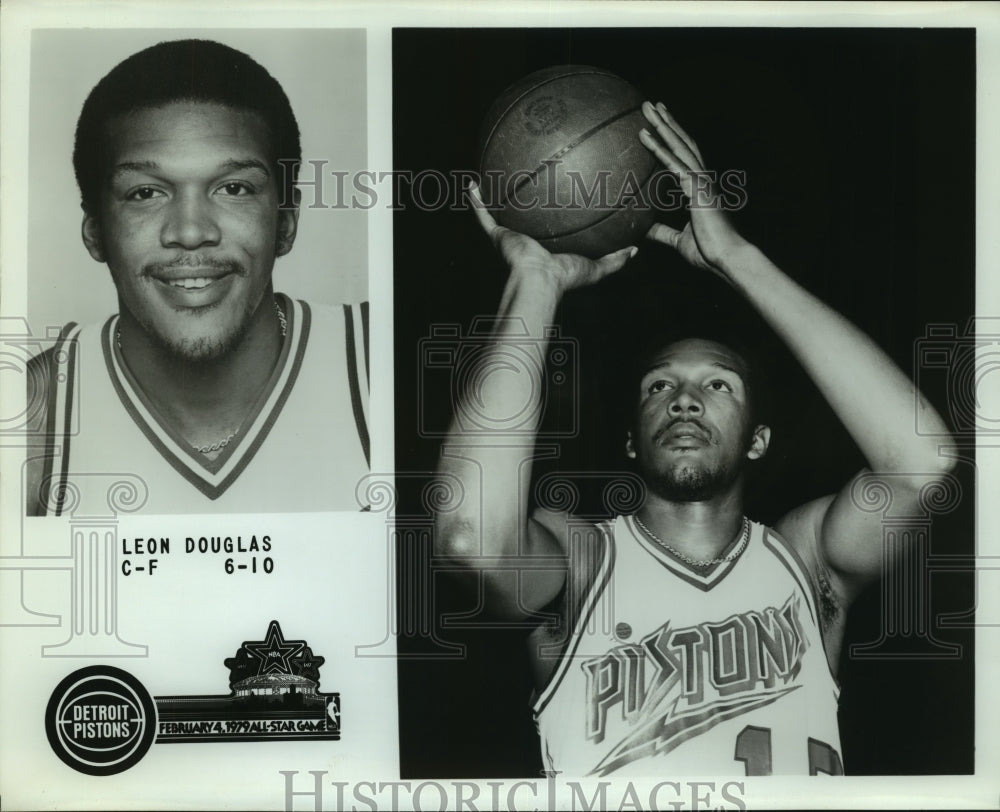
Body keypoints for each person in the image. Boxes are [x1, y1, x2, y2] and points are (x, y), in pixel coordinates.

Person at [434, 101, 955, 775]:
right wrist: (536, 282)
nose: (684, 397)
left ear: (758, 440)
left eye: (719, 386)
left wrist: (739, 259)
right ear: (630, 442)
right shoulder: (582, 565)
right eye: (658, 386)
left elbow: (923, 464)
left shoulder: (807, 563)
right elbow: (469, 537)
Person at [24, 39, 369, 516]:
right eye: (146, 193)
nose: (191, 232)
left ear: (286, 223)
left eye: (233, 188)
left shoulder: (376, 365)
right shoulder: (29, 420)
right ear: (95, 233)